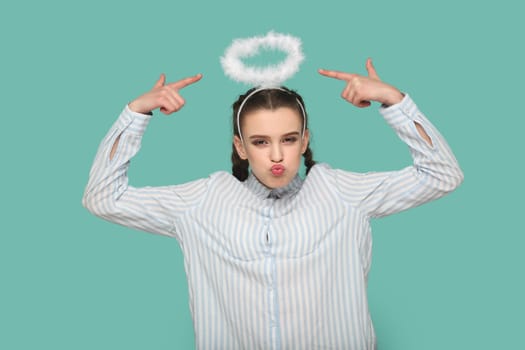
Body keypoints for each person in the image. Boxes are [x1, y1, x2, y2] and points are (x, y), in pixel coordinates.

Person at [82, 58, 463, 350]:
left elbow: (441, 175)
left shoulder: (341, 191)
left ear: (305, 140)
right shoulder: (201, 201)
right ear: (240, 147)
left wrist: (393, 101)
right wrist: (136, 114)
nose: (277, 155)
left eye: (289, 139)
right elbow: (103, 198)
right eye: (261, 141)